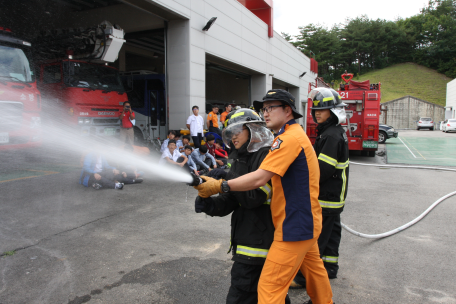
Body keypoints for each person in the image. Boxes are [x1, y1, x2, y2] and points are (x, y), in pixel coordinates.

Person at [194, 89, 334, 304]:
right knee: (316, 275)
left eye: (271, 108)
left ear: (288, 110)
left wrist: (222, 186)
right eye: (263, 109)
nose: (265, 113)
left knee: (269, 288)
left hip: (293, 226)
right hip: (306, 222)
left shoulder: (287, 140)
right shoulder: (295, 135)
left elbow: (259, 178)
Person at [194, 108, 287, 304]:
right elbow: (232, 200)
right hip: (247, 242)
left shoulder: (266, 156)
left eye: (238, 131)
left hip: (261, 246)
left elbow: (253, 197)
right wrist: (208, 203)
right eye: (230, 132)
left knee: (242, 297)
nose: (233, 136)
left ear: (253, 129)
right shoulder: (239, 158)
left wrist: (226, 179)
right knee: (270, 297)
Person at [291, 88, 349, 287]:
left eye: (322, 110)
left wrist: (299, 180)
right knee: (332, 234)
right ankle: (330, 268)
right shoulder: (332, 132)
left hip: (326, 196)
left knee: (317, 239)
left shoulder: (330, 136)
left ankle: (303, 278)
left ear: (333, 112)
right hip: (335, 195)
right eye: (316, 109)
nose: (317, 113)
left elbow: (322, 170)